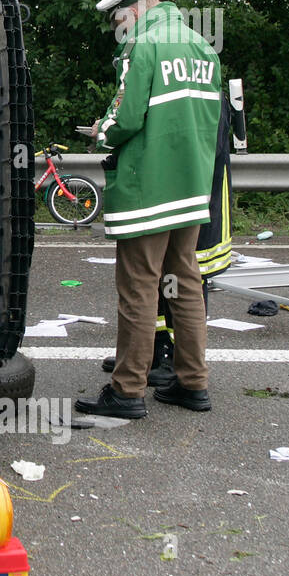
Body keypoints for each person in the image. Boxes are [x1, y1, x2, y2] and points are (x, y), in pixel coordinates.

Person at [75, 0, 222, 418]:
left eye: (119, 21)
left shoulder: (143, 46)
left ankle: (127, 391)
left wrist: (100, 131)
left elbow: (125, 117)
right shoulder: (202, 47)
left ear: (136, 10)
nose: (119, 31)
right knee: (186, 283)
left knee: (139, 288)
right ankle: (192, 383)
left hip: (149, 189)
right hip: (192, 186)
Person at [100, 89, 235, 387]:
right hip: (186, 197)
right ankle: (154, 356)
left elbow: (131, 124)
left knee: (176, 279)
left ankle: (167, 359)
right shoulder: (198, 79)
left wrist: (104, 132)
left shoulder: (183, 88)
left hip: (187, 198)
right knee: (168, 280)